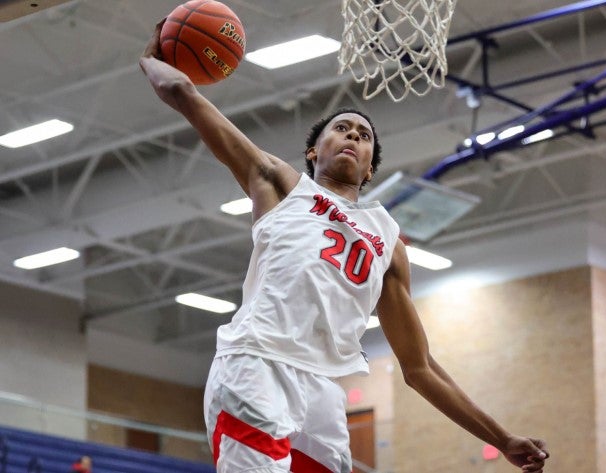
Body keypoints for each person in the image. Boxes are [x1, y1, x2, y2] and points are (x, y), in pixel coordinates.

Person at [140, 20, 549, 473]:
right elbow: (185, 95)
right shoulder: (279, 184)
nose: (354, 135)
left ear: (370, 167)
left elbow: (420, 369)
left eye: (364, 134)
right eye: (342, 128)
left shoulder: (387, 239)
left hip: (323, 392)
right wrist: (152, 58)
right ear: (314, 151)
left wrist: (502, 438)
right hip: (257, 365)